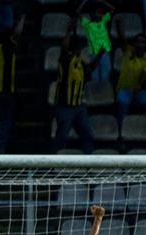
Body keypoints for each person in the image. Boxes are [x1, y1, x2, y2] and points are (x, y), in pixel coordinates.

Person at [53, 24, 102, 154]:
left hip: (79, 106)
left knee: (87, 135)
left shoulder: (80, 63)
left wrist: (100, 54)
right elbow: (64, 47)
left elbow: (91, 68)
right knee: (61, 137)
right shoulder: (65, 60)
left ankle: (88, 166)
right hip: (65, 106)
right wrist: (69, 30)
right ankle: (53, 166)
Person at [0, 14, 23, 154]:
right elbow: (18, 34)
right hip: (6, 91)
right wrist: (23, 17)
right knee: (6, 121)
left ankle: (2, 147)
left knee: (7, 119)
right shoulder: (6, 48)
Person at [114, 26, 146, 128]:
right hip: (124, 89)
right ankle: (122, 130)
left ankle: (145, 128)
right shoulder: (128, 51)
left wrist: (139, 85)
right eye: (138, 41)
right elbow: (122, 40)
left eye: (143, 42)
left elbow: (144, 74)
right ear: (134, 43)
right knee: (122, 102)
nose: (140, 44)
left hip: (139, 91)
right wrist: (120, 29)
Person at [77, 0, 114, 82]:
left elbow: (112, 9)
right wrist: (84, 1)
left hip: (105, 54)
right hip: (94, 54)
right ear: (92, 15)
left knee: (105, 78)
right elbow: (78, 12)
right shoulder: (88, 24)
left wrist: (102, 1)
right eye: (96, 13)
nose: (98, 15)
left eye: (100, 13)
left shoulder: (104, 22)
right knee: (95, 79)